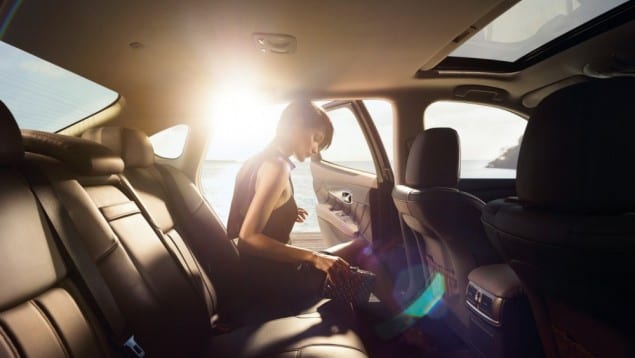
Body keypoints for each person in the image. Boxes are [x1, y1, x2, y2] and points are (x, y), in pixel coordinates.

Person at [226, 99, 400, 314]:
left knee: (347, 259)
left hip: (255, 276)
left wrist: (285, 212)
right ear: (296, 125)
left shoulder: (254, 161)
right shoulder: (277, 167)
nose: (315, 149)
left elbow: (246, 211)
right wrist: (314, 257)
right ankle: (406, 324)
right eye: (316, 138)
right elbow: (248, 238)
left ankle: (376, 319)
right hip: (273, 283)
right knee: (361, 248)